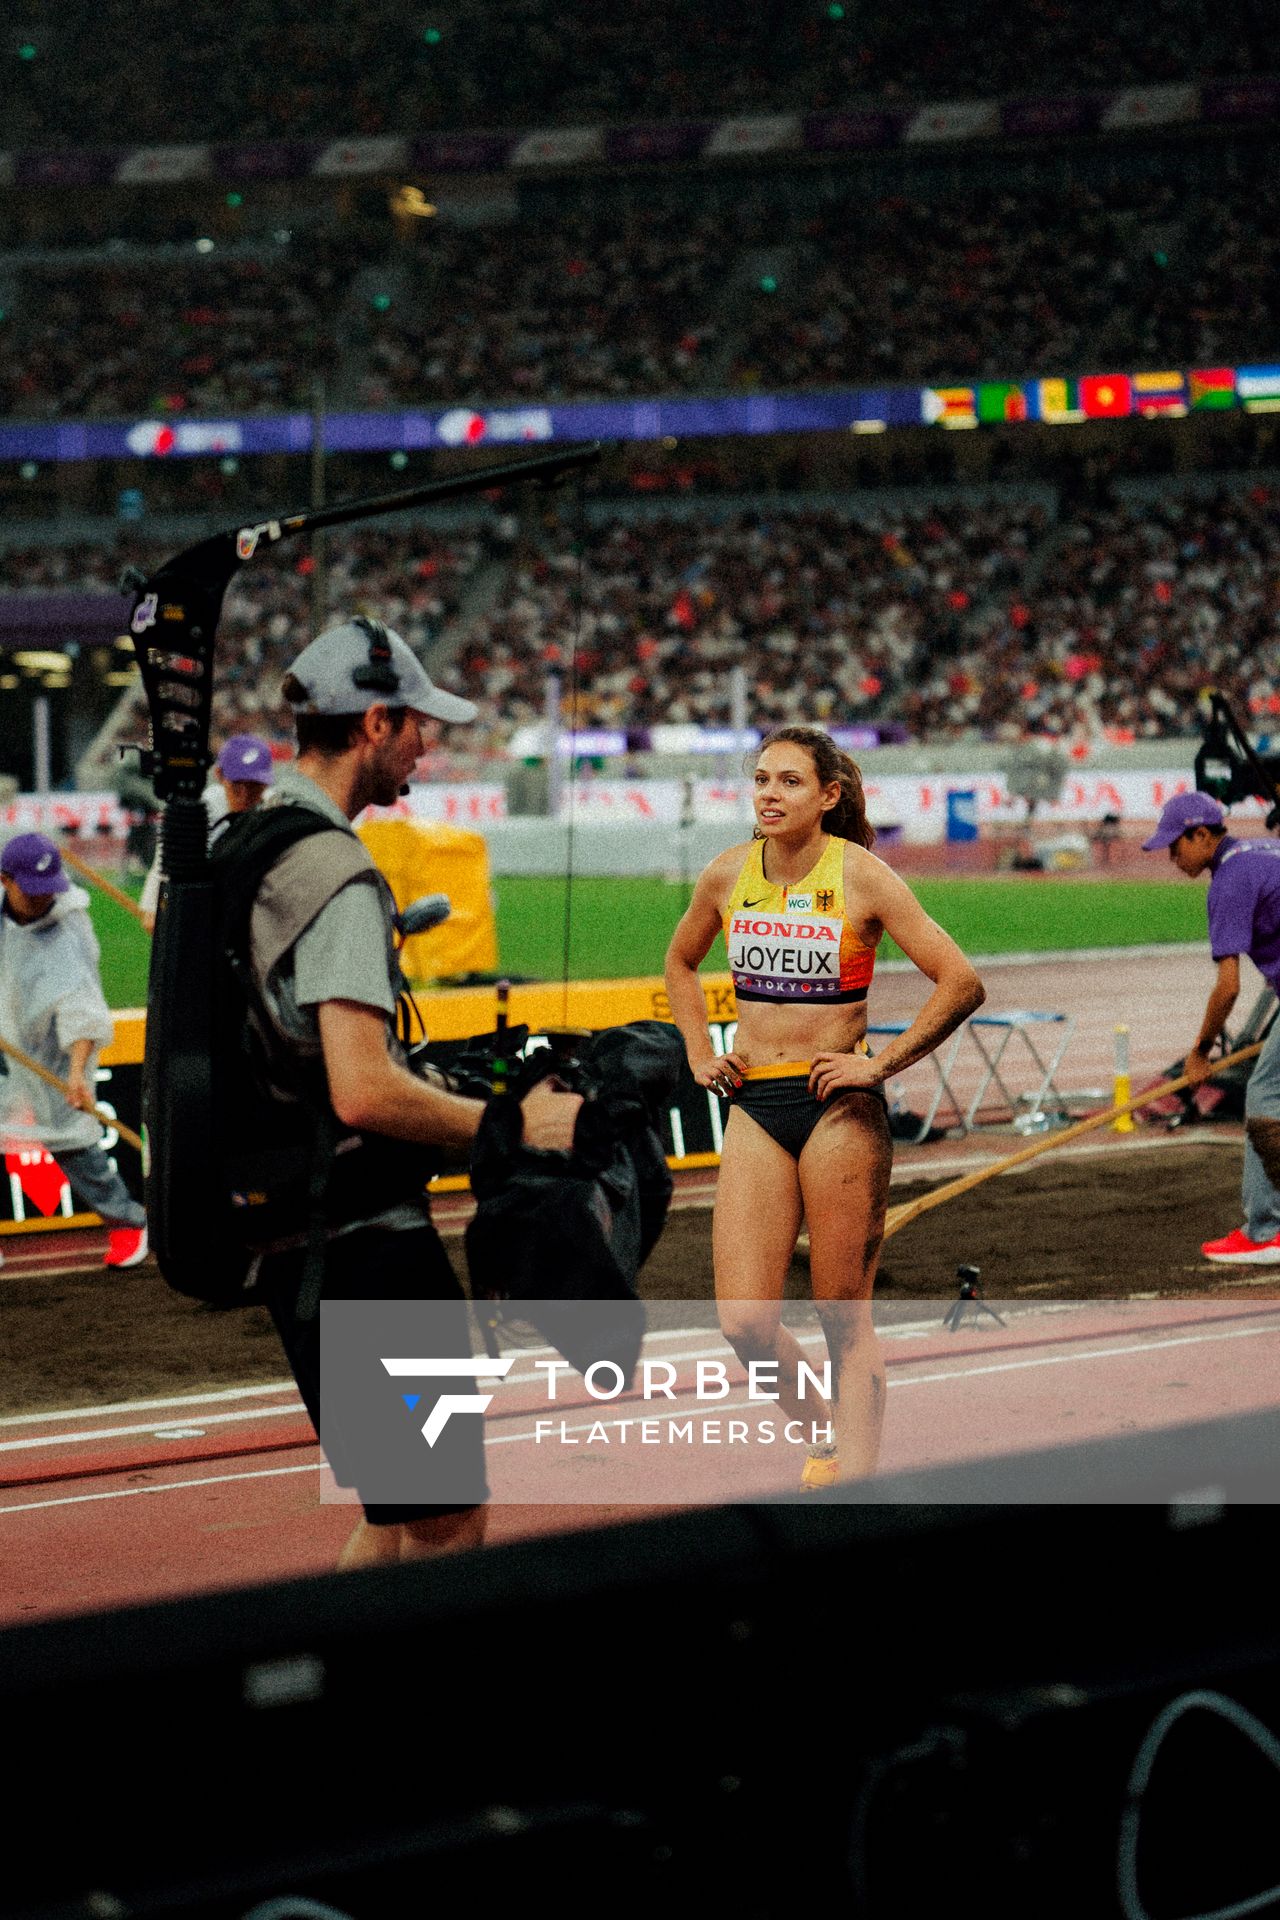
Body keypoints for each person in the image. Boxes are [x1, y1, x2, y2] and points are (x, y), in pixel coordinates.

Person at [243, 618, 580, 1566]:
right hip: (365, 1250)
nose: (429, 743)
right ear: (376, 721)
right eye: (420, 723)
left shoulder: (246, 841)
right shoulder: (336, 873)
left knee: (392, 1516)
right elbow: (359, 1091)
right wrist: (512, 1126)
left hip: (291, 1240)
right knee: (446, 1522)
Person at [664, 725, 985, 1487]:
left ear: (828, 795)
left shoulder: (863, 877)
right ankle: (826, 1439)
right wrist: (697, 1053)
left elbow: (961, 981)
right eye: (762, 780)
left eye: (789, 782)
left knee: (845, 1320)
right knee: (744, 1322)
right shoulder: (726, 875)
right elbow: (680, 961)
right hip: (754, 1105)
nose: (769, 795)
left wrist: (877, 1064)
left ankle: (858, 1495)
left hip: (836, 1110)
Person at [1144, 790, 1280, 1264]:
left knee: (1267, 1095)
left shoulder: (1228, 882)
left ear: (1202, 835)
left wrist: (1200, 1052)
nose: (1171, 857)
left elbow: (1227, 988)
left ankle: (1267, 1230)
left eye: (1174, 846)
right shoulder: (1266, 851)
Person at [0, 832, 148, 1268]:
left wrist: (78, 1073)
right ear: (5, 880)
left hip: (50, 1043)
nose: (46, 898)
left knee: (70, 1136)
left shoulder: (69, 924)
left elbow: (81, 1005)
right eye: (33, 890)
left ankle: (128, 1223)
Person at [139, 733, 275, 932]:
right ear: (220, 775)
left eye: (255, 787)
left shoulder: (278, 813)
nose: (245, 796)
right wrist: (157, 907)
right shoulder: (198, 812)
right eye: (237, 785)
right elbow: (163, 871)